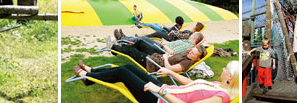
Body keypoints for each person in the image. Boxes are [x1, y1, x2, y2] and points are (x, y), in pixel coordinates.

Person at [74, 60, 239, 103]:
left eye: (225, 69)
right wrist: (170, 73)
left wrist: (161, 91)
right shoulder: (217, 85)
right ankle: (92, 73)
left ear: (230, 77)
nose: (222, 70)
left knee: (123, 73)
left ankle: (88, 77)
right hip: (163, 89)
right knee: (129, 67)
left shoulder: (220, 97)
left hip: (159, 99)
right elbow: (190, 85)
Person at [107, 32, 206, 73]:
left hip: (152, 64)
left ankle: (113, 47)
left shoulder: (186, 63)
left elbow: (169, 68)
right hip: (156, 57)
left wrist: (166, 57)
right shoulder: (186, 56)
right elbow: (173, 55)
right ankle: (119, 49)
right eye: (191, 51)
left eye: (193, 54)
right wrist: (166, 55)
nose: (190, 53)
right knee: (140, 42)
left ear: (197, 58)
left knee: (132, 50)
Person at [114, 29, 205, 55]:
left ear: (193, 37)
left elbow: (172, 52)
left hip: (162, 52)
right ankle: (124, 38)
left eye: (192, 35)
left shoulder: (188, 46)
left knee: (142, 40)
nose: (190, 35)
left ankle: (122, 39)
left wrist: (164, 44)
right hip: (162, 46)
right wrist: (165, 43)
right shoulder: (187, 42)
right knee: (145, 39)